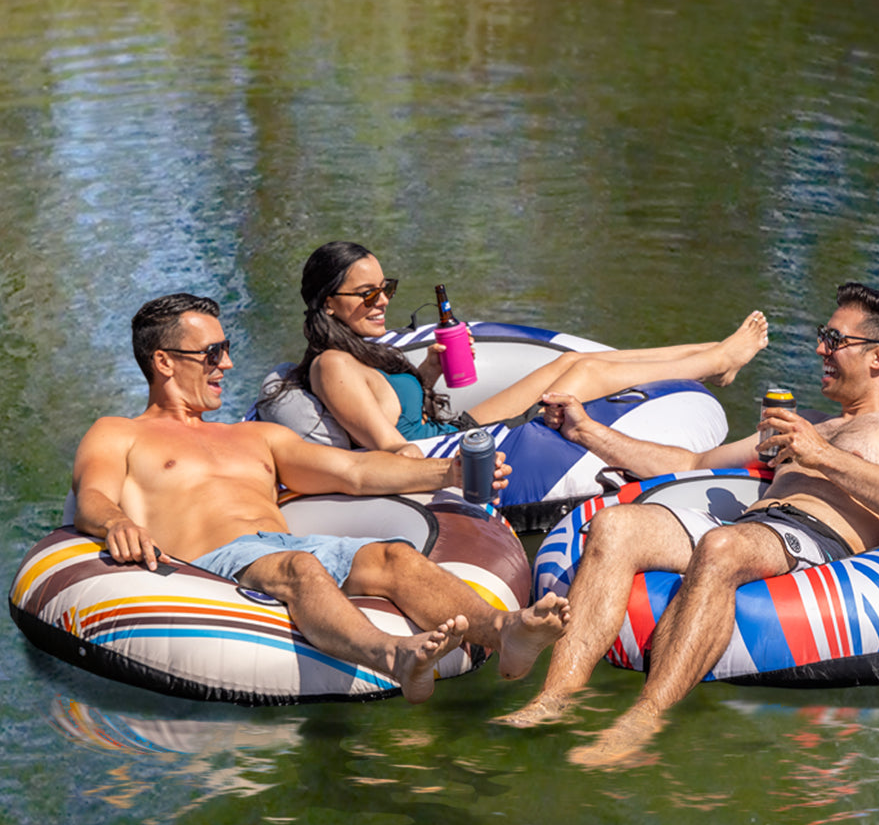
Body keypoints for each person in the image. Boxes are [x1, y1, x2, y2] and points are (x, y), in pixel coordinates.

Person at [494, 283, 879, 767]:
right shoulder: (811, 423)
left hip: (818, 541)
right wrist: (585, 429)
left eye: (835, 340)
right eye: (823, 335)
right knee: (615, 526)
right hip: (753, 524)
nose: (821, 348)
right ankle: (555, 699)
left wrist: (821, 456)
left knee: (720, 547)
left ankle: (644, 717)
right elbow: (694, 461)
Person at [72, 293, 570, 705]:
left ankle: (505, 632)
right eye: (211, 352)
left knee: (393, 555)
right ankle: (394, 657)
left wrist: (448, 471)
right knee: (299, 567)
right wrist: (116, 521)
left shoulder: (254, 437)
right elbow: (92, 494)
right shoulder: (119, 433)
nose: (226, 363)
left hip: (282, 544)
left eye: (225, 349)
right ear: (162, 362)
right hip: (210, 563)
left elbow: (352, 471)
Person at [260, 241, 770, 456]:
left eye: (386, 287)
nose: (383, 301)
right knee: (580, 375)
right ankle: (719, 360)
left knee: (570, 361)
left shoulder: (359, 353)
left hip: (457, 428)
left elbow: (391, 409)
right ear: (329, 304)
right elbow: (389, 445)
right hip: (456, 447)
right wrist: (454, 469)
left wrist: (430, 373)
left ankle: (713, 355)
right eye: (367, 293)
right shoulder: (332, 364)